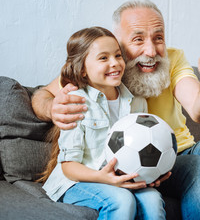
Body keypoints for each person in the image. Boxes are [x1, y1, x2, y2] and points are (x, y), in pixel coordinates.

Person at [32, 0, 200, 219]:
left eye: (158, 38)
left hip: (179, 152)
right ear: (117, 43)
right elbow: (41, 95)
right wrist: (53, 107)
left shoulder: (171, 59)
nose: (151, 51)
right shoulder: (98, 65)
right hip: (134, 162)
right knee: (197, 167)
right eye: (138, 39)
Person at [40, 26, 166, 220]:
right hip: (76, 181)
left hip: (117, 178)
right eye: (103, 58)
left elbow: (143, 151)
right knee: (122, 201)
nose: (115, 63)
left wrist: (151, 173)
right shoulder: (76, 101)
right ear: (82, 70)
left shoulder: (138, 102)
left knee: (153, 200)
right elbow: (68, 167)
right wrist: (104, 178)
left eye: (117, 55)